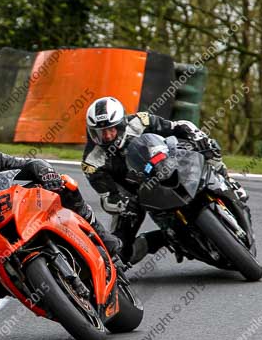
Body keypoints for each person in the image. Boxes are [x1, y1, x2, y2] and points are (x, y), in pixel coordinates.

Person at [0, 129, 121, 301]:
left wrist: (45, 173)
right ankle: (33, 291)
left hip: (18, 206)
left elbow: (24, 164)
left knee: (66, 185)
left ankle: (99, 234)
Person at [81, 96, 247, 264]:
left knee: (209, 149)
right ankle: (163, 239)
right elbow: (107, 197)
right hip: (135, 195)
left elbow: (178, 127)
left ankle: (228, 181)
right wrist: (122, 204)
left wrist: (198, 137)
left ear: (121, 124)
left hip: (165, 164)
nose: (107, 136)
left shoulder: (140, 122)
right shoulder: (92, 162)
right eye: (100, 132)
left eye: (111, 129)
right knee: (119, 253)